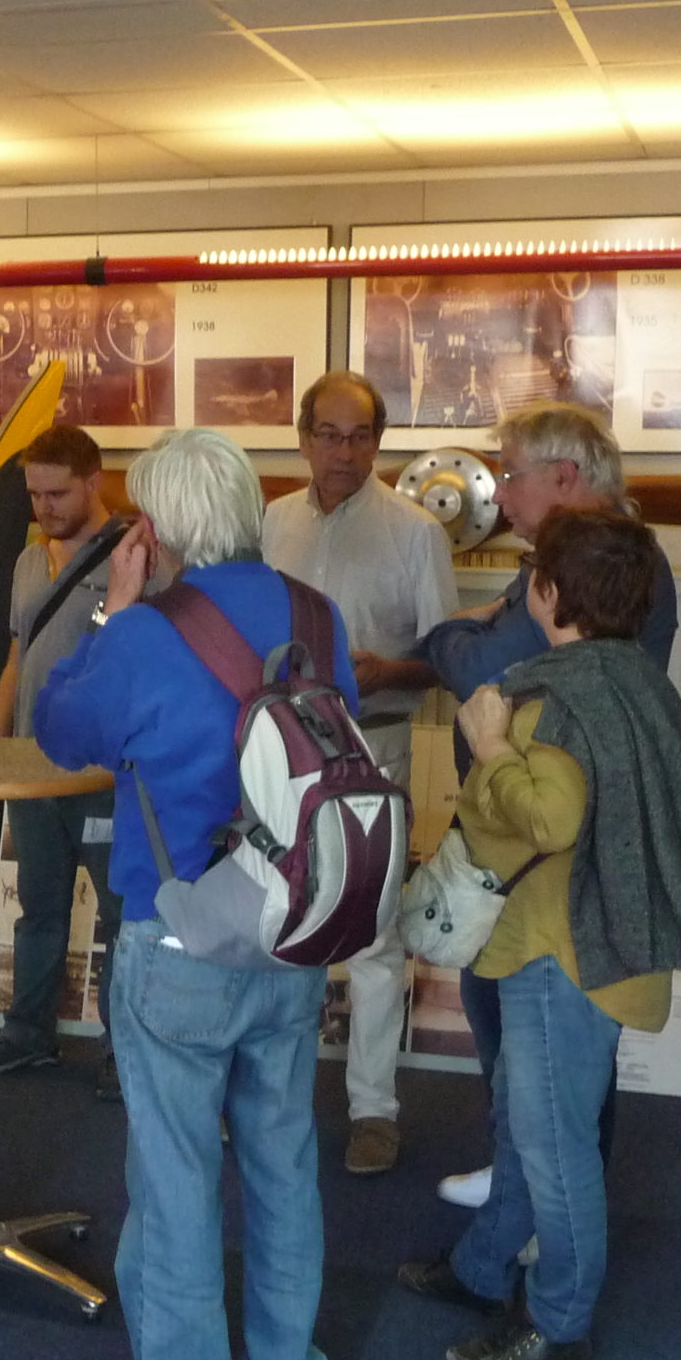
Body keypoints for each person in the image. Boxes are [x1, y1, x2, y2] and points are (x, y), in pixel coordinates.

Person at [35, 427, 350, 1360]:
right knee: (282, 1162)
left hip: (177, 937)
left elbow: (60, 731)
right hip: (294, 927)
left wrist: (113, 612)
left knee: (174, 1179)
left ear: (155, 528)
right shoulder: (318, 616)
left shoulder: (144, 635)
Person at [395, 508, 681, 1360]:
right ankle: (482, 1267)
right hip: (600, 939)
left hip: (561, 949)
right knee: (525, 1122)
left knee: (552, 1146)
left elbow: (550, 817)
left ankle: (559, 1320)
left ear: (545, 592)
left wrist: (491, 747)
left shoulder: (555, 696)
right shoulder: (635, 680)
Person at [418, 401, 677, 1209]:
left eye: (510, 472)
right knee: (522, 1031)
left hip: (547, 843)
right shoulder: (586, 553)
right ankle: (524, 1186)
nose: (498, 490)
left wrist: (447, 634)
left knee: (550, 1046)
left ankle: (548, 1210)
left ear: (564, 475)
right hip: (524, 833)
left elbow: (476, 665)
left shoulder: (596, 564)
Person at [261, 369, 456, 1177]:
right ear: (304, 439)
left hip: (374, 749)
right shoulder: (271, 522)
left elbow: (445, 658)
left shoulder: (416, 533)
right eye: (329, 436)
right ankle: (270, 1101)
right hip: (277, 754)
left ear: (380, 442)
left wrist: (390, 672)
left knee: (373, 936)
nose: (344, 453)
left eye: (361, 437)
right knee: (278, 922)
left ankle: (374, 1110)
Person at [0, 424, 127, 1092]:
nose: (44, 507)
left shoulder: (134, 558)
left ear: (93, 482)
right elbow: (17, 659)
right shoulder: (26, 562)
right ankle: (28, 1033)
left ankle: (125, 1051)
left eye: (58, 493)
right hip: (31, 770)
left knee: (123, 915)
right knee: (39, 908)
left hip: (103, 773)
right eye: (35, 494)